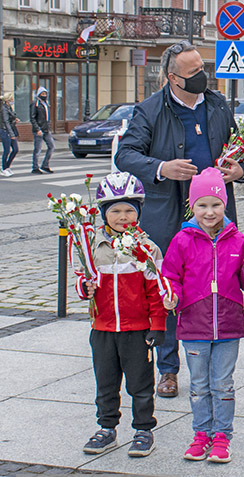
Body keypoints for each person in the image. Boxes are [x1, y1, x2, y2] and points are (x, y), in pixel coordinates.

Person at [115, 40, 244, 399]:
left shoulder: (219, 105)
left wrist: (240, 169)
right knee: (170, 289)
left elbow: (242, 149)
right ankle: (169, 369)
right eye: (193, 73)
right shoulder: (149, 110)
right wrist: (162, 168)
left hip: (214, 214)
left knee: (214, 284)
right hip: (170, 213)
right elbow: (125, 155)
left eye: (202, 69)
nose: (201, 77)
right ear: (173, 78)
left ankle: (213, 364)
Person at [161, 168, 244, 463]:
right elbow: (171, 276)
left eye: (216, 205)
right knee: (199, 385)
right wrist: (172, 296)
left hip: (229, 326)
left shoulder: (238, 239)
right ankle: (201, 433)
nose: (209, 212)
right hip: (194, 325)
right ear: (192, 206)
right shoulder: (182, 240)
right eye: (202, 205)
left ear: (225, 205)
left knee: (223, 383)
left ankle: (222, 435)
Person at [81, 172, 167, 458]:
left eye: (129, 210)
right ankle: (107, 428)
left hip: (137, 330)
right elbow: (83, 284)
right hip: (103, 329)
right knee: (105, 382)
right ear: (104, 213)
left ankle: (143, 429)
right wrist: (86, 287)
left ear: (139, 212)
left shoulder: (147, 249)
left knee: (140, 384)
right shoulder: (93, 247)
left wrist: (157, 325)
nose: (122, 216)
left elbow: (157, 291)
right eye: (115, 210)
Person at [30, 86, 54, 175]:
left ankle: (45, 165)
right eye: (42, 94)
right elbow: (32, 118)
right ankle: (35, 167)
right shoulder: (35, 104)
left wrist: (48, 127)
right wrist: (37, 129)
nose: (44, 95)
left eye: (45, 94)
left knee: (51, 146)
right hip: (39, 130)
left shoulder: (45, 104)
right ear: (39, 94)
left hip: (46, 129)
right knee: (37, 149)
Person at [1, 93, 19, 177]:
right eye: (11, 99)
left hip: (11, 130)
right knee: (7, 150)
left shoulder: (9, 108)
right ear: (7, 100)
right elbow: (6, 122)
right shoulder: (4, 109)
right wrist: (11, 134)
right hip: (5, 131)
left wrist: (15, 120)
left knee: (15, 149)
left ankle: (7, 166)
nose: (12, 101)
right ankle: (4, 168)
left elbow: (10, 120)